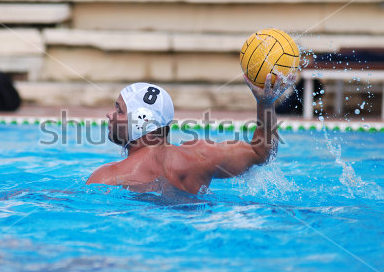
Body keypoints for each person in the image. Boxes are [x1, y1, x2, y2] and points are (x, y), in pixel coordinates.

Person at [86, 73, 295, 194]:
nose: (109, 114)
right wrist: (266, 104)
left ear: (141, 122)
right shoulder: (201, 156)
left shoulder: (108, 177)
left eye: (119, 110)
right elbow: (262, 153)